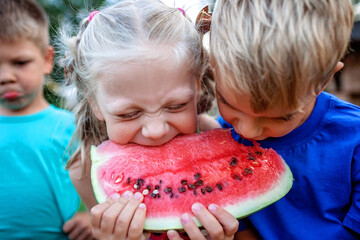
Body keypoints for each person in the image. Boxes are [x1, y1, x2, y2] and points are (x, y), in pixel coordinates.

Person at [60, 0, 238, 239]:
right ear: (95, 104)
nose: (155, 130)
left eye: (176, 106)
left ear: (197, 88)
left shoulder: (209, 134)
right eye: (128, 114)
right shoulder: (85, 171)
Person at [210, 0, 360, 239]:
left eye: (278, 118)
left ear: (324, 80)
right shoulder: (219, 135)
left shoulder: (354, 138)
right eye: (227, 103)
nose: (247, 131)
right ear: (213, 66)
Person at [0, 0, 93, 239]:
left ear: (47, 59)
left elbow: (94, 187)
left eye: (20, 63)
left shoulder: (70, 126)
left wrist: (90, 216)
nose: (5, 77)